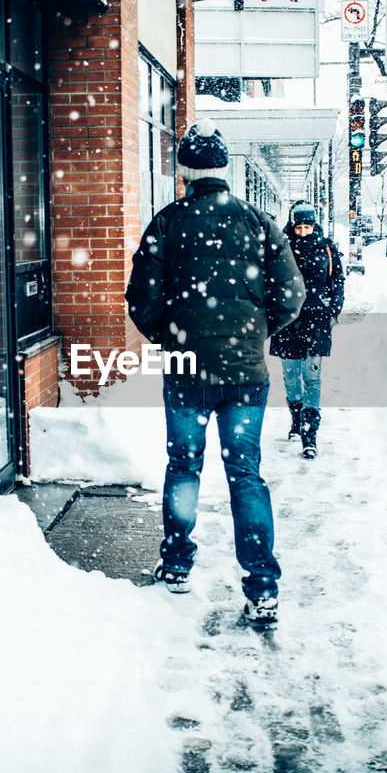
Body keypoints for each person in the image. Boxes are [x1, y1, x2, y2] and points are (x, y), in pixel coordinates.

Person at [125, 120, 304, 624]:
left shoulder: (168, 223)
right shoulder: (258, 221)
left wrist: (172, 334)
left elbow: (142, 300)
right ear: (224, 169)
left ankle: (177, 563)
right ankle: (262, 586)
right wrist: (255, 331)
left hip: (186, 371)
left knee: (184, 467)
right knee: (245, 475)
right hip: (246, 375)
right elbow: (292, 295)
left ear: (183, 171)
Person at [270, 202, 344, 459]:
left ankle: (309, 433)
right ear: (292, 224)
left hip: (317, 320)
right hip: (289, 321)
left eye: (307, 226)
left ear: (314, 225)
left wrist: (333, 310)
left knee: (312, 375)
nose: (303, 231)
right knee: (291, 374)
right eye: (299, 226)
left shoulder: (326, 248)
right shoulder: (281, 247)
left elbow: (337, 281)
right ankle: (295, 418)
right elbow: (269, 281)